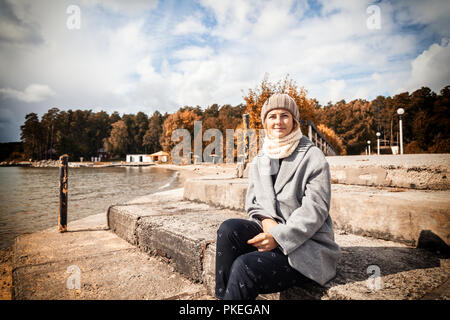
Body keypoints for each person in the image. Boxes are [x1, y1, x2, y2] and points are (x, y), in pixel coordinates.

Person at [215, 93, 340, 300]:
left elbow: (316, 209)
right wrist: (267, 222)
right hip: (271, 231)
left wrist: (278, 236)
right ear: (265, 122)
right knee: (228, 230)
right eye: (272, 116)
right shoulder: (261, 158)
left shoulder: (312, 156)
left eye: (284, 115)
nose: (278, 122)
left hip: (305, 246)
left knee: (244, 267)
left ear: (294, 121)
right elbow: (253, 203)